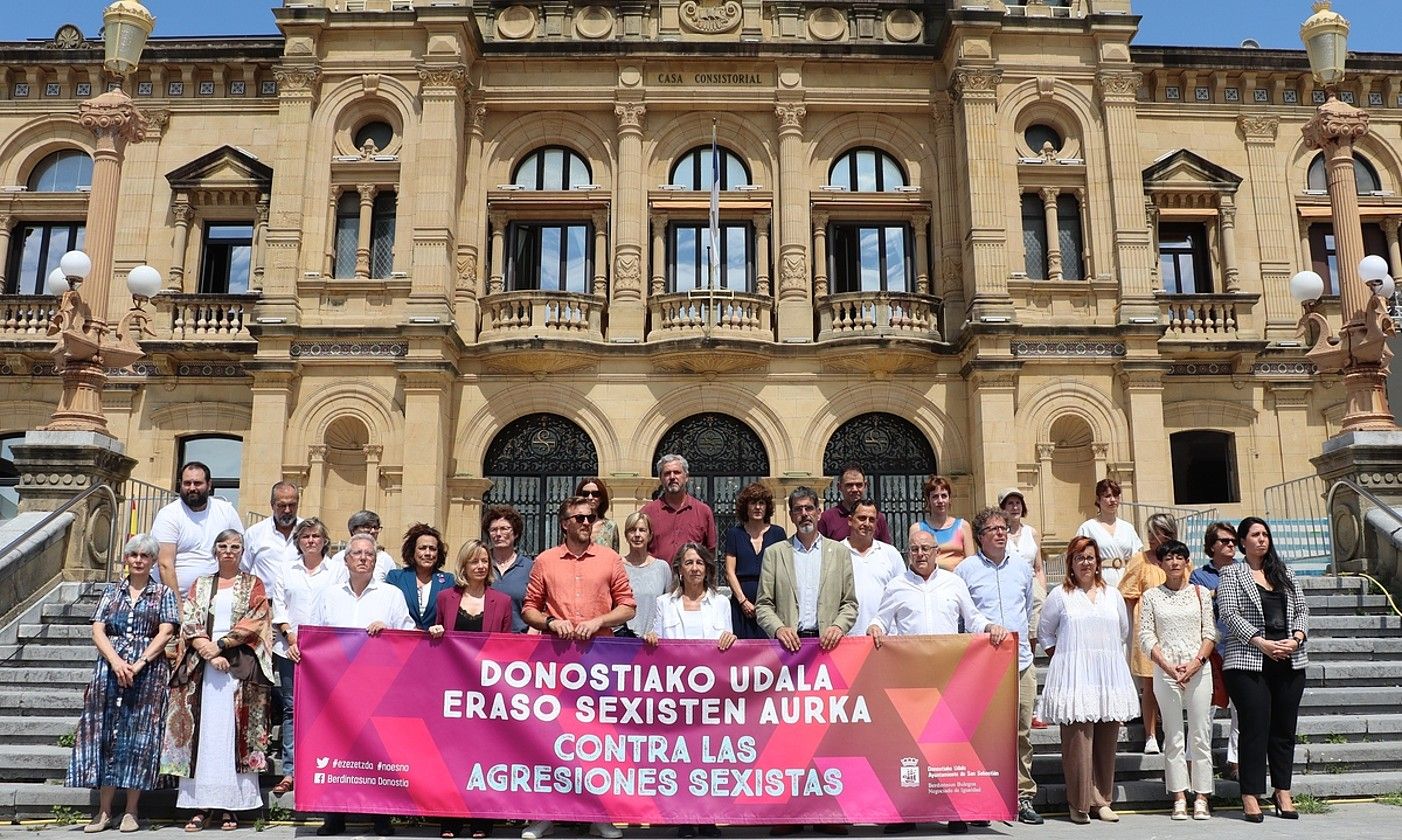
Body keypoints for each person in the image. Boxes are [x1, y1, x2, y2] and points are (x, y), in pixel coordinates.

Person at [868, 528, 1008, 837]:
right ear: (908, 553)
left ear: (936, 552)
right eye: (914, 549)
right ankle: (904, 814)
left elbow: (973, 620)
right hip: (909, 679)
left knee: (948, 748)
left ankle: (955, 812)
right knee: (907, 749)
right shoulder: (896, 585)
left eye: (925, 549)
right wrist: (875, 628)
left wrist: (992, 627)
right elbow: (881, 619)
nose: (920, 554)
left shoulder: (954, 583)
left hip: (948, 676)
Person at [519, 496, 636, 840]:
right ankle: (545, 815)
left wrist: (599, 619)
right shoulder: (545, 560)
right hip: (555, 659)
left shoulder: (610, 558)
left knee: (596, 740)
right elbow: (529, 609)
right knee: (550, 738)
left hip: (599, 657)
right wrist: (551, 622)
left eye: (591, 517)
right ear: (565, 523)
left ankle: (600, 815)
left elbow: (628, 605)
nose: (587, 523)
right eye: (580, 518)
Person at [161, 529, 274, 833]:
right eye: (222, 546)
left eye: (235, 547)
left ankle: (231, 805)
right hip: (203, 666)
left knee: (233, 733)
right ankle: (200, 805)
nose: (228, 551)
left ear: (242, 551)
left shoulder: (253, 584)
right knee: (205, 734)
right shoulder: (201, 583)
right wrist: (208, 651)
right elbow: (191, 616)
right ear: (214, 551)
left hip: (238, 665)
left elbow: (256, 619)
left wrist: (222, 645)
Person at [66, 534, 180, 834]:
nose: (139, 560)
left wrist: (139, 662)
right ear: (126, 559)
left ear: (153, 561)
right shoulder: (111, 592)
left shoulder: (162, 593)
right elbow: (98, 630)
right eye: (134, 555)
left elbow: (166, 631)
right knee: (106, 734)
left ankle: (131, 809)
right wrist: (116, 662)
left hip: (147, 672)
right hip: (109, 668)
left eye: (145, 556)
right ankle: (103, 811)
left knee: (139, 736)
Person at [311, 533, 417, 837]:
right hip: (336, 689)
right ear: (345, 560)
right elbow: (316, 636)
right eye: (356, 553)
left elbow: (408, 636)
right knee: (335, 751)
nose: (362, 558)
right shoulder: (329, 595)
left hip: (379, 686)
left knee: (378, 752)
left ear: (376, 559)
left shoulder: (391, 595)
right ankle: (334, 816)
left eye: (368, 554)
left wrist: (389, 631)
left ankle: (381, 816)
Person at [1038, 537, 1138, 825]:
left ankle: (1102, 800)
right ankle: (1079, 803)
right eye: (1079, 557)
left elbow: (1121, 631)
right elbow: (1045, 633)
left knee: (1107, 741)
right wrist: (1068, 658)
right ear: (1070, 562)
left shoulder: (1112, 595)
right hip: (1075, 678)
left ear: (1098, 562)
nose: (1086, 563)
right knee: (1078, 744)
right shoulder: (1060, 595)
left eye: (1090, 557)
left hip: (1107, 676)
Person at [954, 507, 1044, 826]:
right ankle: (983, 797)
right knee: (982, 733)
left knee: (1021, 732)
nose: (1001, 533)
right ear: (980, 537)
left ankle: (1023, 797)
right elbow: (961, 619)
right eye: (993, 529)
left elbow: (1029, 608)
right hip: (982, 669)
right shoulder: (964, 571)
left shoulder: (1022, 569)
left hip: (1020, 663)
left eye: (1004, 527)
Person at [1217, 517, 1310, 823]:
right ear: (1243, 541)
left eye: (1265, 534)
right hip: (1248, 661)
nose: (1262, 539)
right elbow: (1229, 614)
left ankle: (1282, 790)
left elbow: (1301, 610)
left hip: (1289, 659)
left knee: (1284, 729)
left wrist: (1296, 639)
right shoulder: (1231, 573)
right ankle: (1250, 793)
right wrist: (1262, 643)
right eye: (1255, 535)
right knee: (1255, 727)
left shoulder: (1284, 572)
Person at [643, 542, 735, 839]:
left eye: (699, 563)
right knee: (681, 759)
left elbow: (729, 638)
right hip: (677, 696)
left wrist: (729, 640)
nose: (694, 568)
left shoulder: (721, 602)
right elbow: (654, 635)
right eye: (688, 563)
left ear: (707, 568)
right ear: (679, 570)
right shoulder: (664, 603)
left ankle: (707, 817)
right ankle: (684, 817)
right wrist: (652, 637)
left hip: (711, 695)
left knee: (708, 759)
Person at [429, 539, 511, 839]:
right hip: (452, 690)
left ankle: (481, 819)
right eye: (474, 561)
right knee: (451, 756)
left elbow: (508, 646)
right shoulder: (445, 598)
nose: (481, 566)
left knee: (484, 755)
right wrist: (436, 631)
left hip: (487, 692)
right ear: (463, 565)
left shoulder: (501, 601)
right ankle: (449, 818)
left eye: (485, 561)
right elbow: (437, 639)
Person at [1139, 539, 1217, 821]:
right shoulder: (1151, 596)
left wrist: (1196, 664)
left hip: (1198, 669)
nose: (1174, 562)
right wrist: (1168, 666)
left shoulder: (1201, 593)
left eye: (1179, 557)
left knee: (1200, 733)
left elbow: (1210, 633)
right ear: (1160, 563)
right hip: (1166, 670)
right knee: (1173, 735)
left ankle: (1202, 796)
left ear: (1187, 562)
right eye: (1168, 558)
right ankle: (1179, 796)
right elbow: (1146, 636)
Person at [269, 518, 339, 798]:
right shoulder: (286, 570)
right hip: (290, 649)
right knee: (291, 709)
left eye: (316, 536)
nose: (311, 540)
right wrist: (290, 637)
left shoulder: (336, 571)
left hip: (326, 652)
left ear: (325, 540)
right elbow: (279, 607)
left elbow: (339, 605)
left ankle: (322, 766)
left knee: (326, 710)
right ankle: (291, 770)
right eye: (306, 536)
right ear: (298, 540)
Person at [755, 486, 859, 653]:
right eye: (798, 509)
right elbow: (763, 605)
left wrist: (838, 627)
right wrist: (778, 629)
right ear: (791, 516)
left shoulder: (839, 553)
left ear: (818, 513)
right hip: (788, 648)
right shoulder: (774, 554)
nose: (804, 513)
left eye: (809, 508)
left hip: (828, 646)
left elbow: (850, 603)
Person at [1119, 512, 1175, 755]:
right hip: (1148, 628)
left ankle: (1172, 732)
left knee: (1172, 683)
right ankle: (1150, 734)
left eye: (1158, 534)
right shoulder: (1139, 560)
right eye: (1150, 534)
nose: (1153, 539)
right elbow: (1128, 595)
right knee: (1150, 683)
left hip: (1175, 626)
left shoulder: (1179, 558)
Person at [1190, 521, 1241, 780]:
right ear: (1212, 546)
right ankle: (1200, 763)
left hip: (1242, 647)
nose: (1231, 545)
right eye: (1225, 541)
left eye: (1233, 541)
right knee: (1205, 710)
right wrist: (1218, 592)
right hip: (1212, 649)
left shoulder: (1245, 571)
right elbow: (1197, 603)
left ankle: (1235, 762)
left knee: (1241, 710)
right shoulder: (1199, 575)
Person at [151, 461, 244, 598]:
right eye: (187, 483)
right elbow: (165, 564)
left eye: (197, 483)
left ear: (209, 484)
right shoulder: (168, 514)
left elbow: (240, 551)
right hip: (179, 599)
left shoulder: (226, 511)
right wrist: (176, 608)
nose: (192, 488)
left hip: (218, 597)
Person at [722, 482, 786, 640]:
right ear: (745, 506)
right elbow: (729, 571)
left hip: (771, 604)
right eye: (753, 503)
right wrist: (743, 601)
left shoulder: (778, 533)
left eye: (761, 503)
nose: (757, 507)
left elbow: (783, 571)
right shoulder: (734, 534)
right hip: (741, 604)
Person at [840, 499, 904, 638]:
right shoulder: (836, 553)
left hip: (885, 638)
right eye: (862, 518)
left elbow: (902, 595)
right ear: (850, 520)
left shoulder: (890, 553)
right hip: (846, 639)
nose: (867, 524)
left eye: (872, 519)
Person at [641, 454, 717, 562]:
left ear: (686, 477)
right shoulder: (647, 513)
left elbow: (710, 552)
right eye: (667, 473)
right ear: (661, 479)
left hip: (691, 577)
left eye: (677, 472)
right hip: (658, 578)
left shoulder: (703, 511)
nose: (672, 477)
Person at [240, 481, 301, 607]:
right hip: (263, 606)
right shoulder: (254, 533)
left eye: (292, 505)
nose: (287, 510)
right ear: (272, 505)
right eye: (282, 505)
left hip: (298, 606)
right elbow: (243, 570)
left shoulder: (309, 533)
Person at [1074, 478, 1142, 589]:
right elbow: (1077, 558)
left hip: (1126, 581)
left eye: (1116, 496)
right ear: (1098, 499)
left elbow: (1137, 559)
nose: (1113, 500)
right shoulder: (1088, 528)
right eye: (1107, 496)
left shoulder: (1128, 528)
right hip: (1100, 580)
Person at [385, 523, 455, 630]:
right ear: (412, 551)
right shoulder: (396, 578)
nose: (428, 553)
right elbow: (388, 612)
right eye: (422, 548)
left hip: (435, 643)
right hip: (403, 642)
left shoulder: (448, 580)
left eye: (432, 549)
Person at [483, 505, 535, 632]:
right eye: (493, 530)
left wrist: (532, 633)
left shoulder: (530, 568)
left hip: (518, 641)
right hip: (484, 642)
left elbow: (539, 605)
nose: (498, 534)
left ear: (516, 533)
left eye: (504, 529)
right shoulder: (481, 565)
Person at [620, 512, 672, 637]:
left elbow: (669, 608)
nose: (637, 535)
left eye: (642, 530)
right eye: (632, 530)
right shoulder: (617, 566)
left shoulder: (662, 567)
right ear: (626, 535)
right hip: (623, 641)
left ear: (650, 535)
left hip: (654, 641)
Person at [909, 475, 975, 572]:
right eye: (935, 496)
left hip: (956, 582)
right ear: (928, 500)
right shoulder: (917, 529)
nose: (940, 501)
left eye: (944, 496)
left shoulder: (963, 526)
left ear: (949, 498)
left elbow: (971, 563)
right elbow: (913, 564)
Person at [817, 464, 892, 544]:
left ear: (865, 485)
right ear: (839, 487)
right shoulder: (827, 518)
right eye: (849, 485)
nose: (855, 489)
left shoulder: (876, 517)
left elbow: (885, 550)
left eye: (859, 485)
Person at [328, 510, 397, 582]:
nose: (373, 531)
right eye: (367, 527)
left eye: (376, 527)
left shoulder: (385, 559)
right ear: (353, 530)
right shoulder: (338, 558)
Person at [576, 477, 619, 552]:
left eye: (595, 494)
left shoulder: (611, 527)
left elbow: (615, 557)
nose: (590, 497)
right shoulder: (572, 524)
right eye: (585, 494)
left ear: (602, 498)